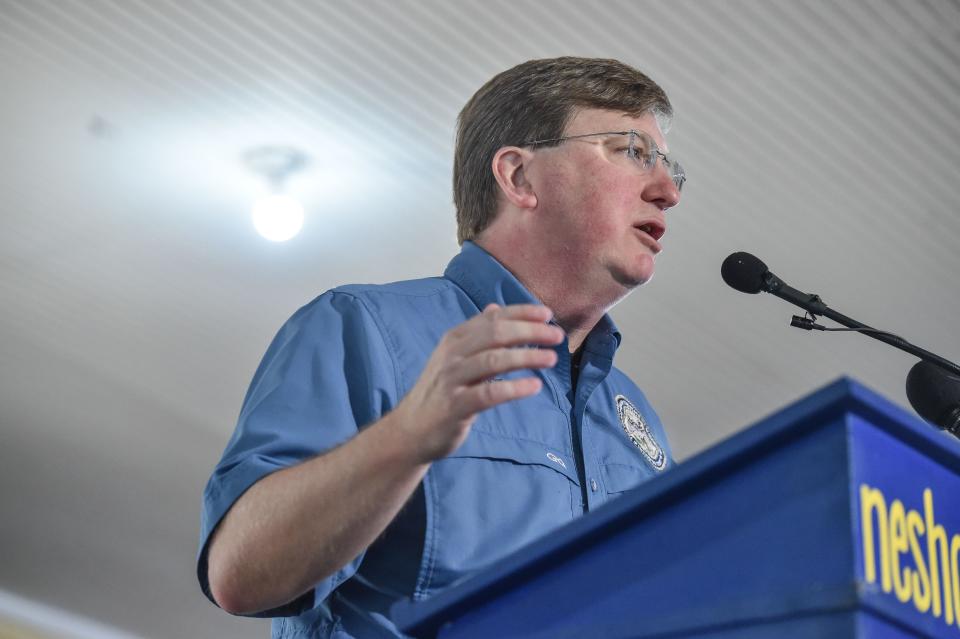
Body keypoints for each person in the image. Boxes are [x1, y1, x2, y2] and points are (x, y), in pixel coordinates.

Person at [198, 56, 685, 638]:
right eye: (630, 151)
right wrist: (405, 439)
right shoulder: (366, 329)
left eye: (668, 166)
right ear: (519, 176)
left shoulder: (639, 424)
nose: (666, 191)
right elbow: (240, 574)